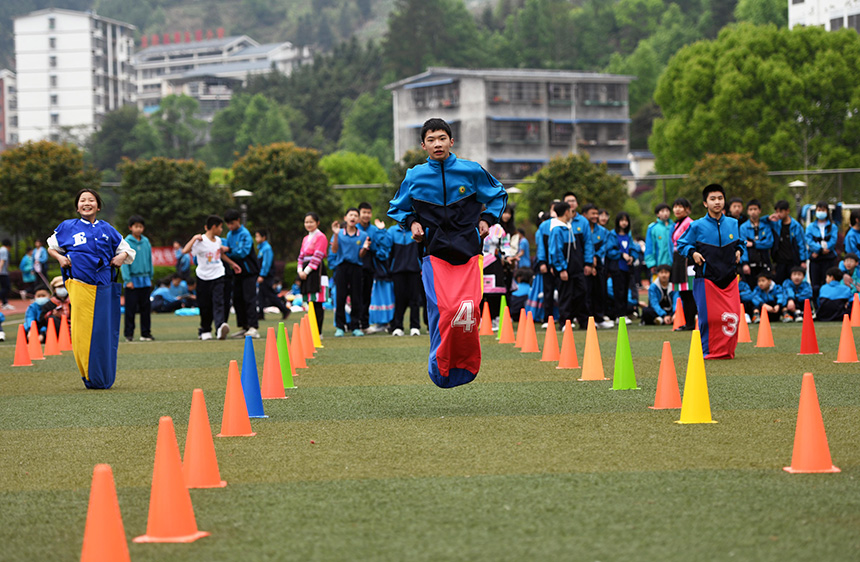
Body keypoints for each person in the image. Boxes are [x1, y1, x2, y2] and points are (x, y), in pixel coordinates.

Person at [388, 117, 507, 388]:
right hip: (434, 252)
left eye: (442, 138)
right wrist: (413, 223)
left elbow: (498, 194)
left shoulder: (472, 171)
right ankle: (438, 364)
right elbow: (397, 207)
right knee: (446, 310)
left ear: (451, 141)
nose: (437, 144)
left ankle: (466, 364)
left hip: (469, 251)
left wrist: (486, 220)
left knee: (467, 312)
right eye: (431, 140)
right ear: (423, 145)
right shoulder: (414, 176)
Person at [47, 188, 135, 389]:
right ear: (77, 206)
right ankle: (88, 375)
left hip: (103, 288)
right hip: (80, 287)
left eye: (91, 200)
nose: (87, 203)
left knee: (103, 332)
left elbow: (127, 250)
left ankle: (102, 376)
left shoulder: (107, 229)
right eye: (82, 200)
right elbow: (52, 246)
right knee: (83, 332)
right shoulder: (67, 227)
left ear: (99, 205)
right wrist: (61, 258)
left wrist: (120, 257)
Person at [677, 184, 743, 359]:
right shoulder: (697, 226)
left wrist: (739, 251)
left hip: (729, 279)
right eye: (712, 199)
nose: (717, 202)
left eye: (720, 198)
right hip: (706, 279)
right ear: (705, 203)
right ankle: (708, 351)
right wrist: (693, 253)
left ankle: (727, 351)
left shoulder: (733, 223)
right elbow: (682, 244)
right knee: (708, 319)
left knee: (734, 317)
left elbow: (740, 243)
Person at [184, 215, 241, 340]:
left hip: (218, 275)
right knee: (205, 305)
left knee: (219, 302)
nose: (221, 230)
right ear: (214, 227)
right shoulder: (200, 241)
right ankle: (205, 330)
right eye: (220, 227)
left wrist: (233, 264)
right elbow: (185, 251)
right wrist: (194, 238)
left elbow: (219, 255)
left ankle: (220, 327)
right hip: (203, 277)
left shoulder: (219, 241)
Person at [549, 201, 593, 330]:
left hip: (576, 268)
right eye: (570, 211)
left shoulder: (567, 226)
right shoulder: (557, 229)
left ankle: (582, 320)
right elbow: (556, 251)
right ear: (566, 212)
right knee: (566, 295)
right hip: (565, 269)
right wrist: (561, 268)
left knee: (581, 292)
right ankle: (565, 322)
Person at [331, 208, 369, 337]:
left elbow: (361, 255)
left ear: (358, 219)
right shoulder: (339, 233)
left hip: (356, 268)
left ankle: (355, 326)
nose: (353, 217)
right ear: (345, 218)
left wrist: (364, 248)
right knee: (340, 297)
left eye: (355, 216)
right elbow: (334, 250)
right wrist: (335, 234)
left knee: (356, 297)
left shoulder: (362, 235)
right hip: (342, 267)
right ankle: (340, 327)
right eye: (350, 215)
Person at [223, 209, 260, 338]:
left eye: (232, 223)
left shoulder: (245, 234)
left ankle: (253, 327)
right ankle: (244, 327)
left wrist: (228, 249)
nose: (230, 226)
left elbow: (242, 252)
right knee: (238, 299)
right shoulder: (229, 235)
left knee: (249, 298)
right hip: (236, 272)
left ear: (238, 221)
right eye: (228, 224)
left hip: (249, 271)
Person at [120, 215, 154, 342]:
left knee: (146, 309)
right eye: (136, 226)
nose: (139, 229)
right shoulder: (127, 242)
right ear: (130, 228)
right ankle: (129, 333)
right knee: (130, 309)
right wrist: (127, 280)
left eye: (141, 226)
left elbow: (150, 260)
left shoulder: (146, 242)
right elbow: (124, 262)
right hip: (132, 281)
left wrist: (150, 276)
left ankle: (146, 333)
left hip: (145, 279)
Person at [388, 219, 423, 336]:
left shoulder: (416, 229)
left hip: (414, 269)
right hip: (397, 271)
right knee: (399, 299)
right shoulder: (392, 231)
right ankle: (398, 327)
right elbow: (386, 249)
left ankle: (415, 326)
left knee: (415, 300)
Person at [605, 211, 640, 325]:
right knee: (618, 291)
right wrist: (621, 254)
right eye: (622, 220)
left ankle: (623, 314)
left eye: (626, 220)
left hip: (627, 268)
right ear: (618, 222)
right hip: (617, 268)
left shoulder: (628, 235)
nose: (624, 223)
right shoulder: (612, 235)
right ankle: (619, 315)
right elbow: (609, 251)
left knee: (625, 291)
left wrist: (632, 257)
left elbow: (635, 248)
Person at [297, 212, 329, 336]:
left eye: (311, 222)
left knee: (317, 302)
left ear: (317, 223)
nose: (308, 224)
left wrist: (306, 271)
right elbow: (301, 256)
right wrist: (299, 270)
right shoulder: (306, 238)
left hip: (317, 271)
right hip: (306, 271)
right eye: (306, 222)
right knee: (309, 302)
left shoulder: (321, 237)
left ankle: (318, 331)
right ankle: (311, 330)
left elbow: (318, 256)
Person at [582, 204, 611, 328]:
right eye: (592, 213)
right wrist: (589, 261)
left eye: (596, 213)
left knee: (600, 292)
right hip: (585, 265)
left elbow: (604, 247)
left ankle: (599, 318)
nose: (595, 216)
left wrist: (595, 259)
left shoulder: (603, 231)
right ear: (585, 215)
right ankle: (588, 319)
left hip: (598, 265)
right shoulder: (582, 229)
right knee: (586, 292)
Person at [670, 198, 696, 330]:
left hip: (687, 260)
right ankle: (688, 322)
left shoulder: (689, 223)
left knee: (689, 292)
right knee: (684, 293)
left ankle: (692, 323)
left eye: (681, 207)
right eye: (675, 206)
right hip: (678, 259)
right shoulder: (676, 224)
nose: (677, 209)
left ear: (688, 210)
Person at [768, 200, 807, 285]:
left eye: (781, 211)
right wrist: (769, 218)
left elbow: (801, 244)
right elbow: (762, 222)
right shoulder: (775, 224)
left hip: (793, 261)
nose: (778, 214)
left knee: (793, 284)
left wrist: (803, 260)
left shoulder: (796, 226)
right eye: (777, 211)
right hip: (779, 262)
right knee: (779, 284)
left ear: (787, 211)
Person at [805, 201, 839, 301]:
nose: (821, 212)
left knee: (828, 283)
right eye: (819, 210)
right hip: (816, 258)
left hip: (828, 258)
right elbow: (809, 240)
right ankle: (816, 306)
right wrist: (819, 250)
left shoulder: (833, 226)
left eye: (823, 210)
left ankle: (828, 305)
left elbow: (833, 240)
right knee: (815, 285)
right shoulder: (810, 227)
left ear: (827, 211)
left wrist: (826, 249)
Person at [255, 229, 290, 321]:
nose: (256, 238)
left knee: (270, 295)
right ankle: (260, 314)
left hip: (266, 276)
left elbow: (266, 263)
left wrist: (262, 275)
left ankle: (284, 309)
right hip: (264, 276)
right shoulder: (261, 248)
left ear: (264, 237)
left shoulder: (266, 248)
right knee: (261, 295)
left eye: (258, 236)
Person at [739, 199, 773, 286]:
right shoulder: (743, 227)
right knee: (751, 286)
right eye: (750, 209)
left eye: (755, 209)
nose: (753, 212)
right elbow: (743, 246)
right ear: (747, 211)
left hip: (765, 261)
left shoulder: (765, 226)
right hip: (750, 263)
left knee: (766, 286)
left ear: (760, 210)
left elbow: (769, 242)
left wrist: (754, 244)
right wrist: (745, 263)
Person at [533, 205, 557, 323]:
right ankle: (548, 318)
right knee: (547, 292)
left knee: (562, 292)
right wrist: (542, 262)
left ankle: (563, 318)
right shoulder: (543, 227)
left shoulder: (565, 225)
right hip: (546, 264)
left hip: (560, 264)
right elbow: (540, 247)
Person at [644, 203, 674, 277]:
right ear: (657, 214)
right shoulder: (653, 228)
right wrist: (651, 264)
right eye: (662, 211)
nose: (665, 213)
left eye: (667, 211)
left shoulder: (674, 226)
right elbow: (649, 247)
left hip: (673, 263)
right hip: (659, 264)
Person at [0, 239, 12, 310]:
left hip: (3, 272)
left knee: (4, 287)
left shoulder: (1, 249)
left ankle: (4, 303)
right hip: (3, 272)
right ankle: (4, 302)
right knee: (7, 287)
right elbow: (2, 261)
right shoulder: (4, 250)